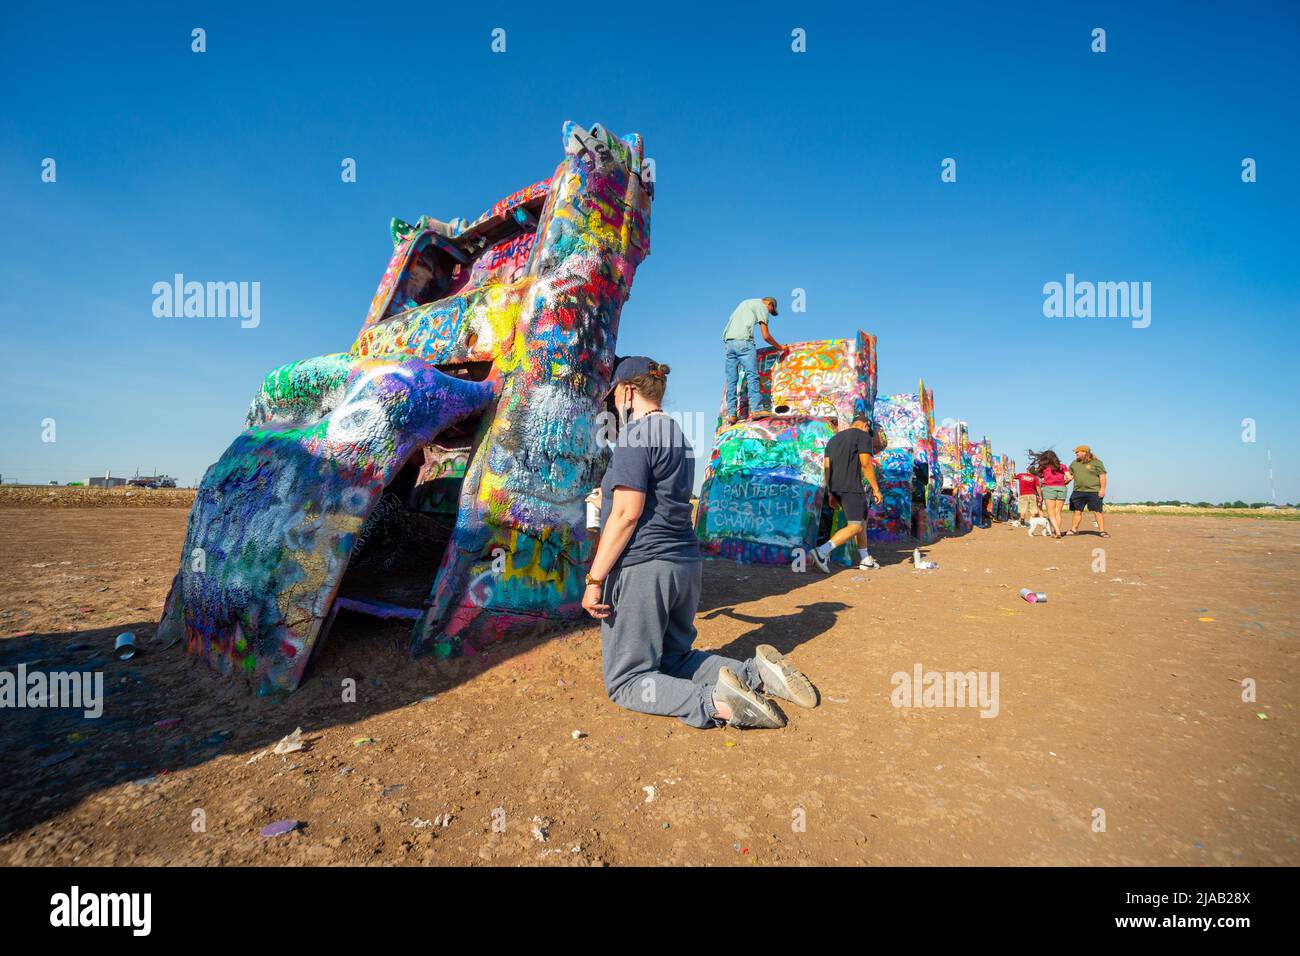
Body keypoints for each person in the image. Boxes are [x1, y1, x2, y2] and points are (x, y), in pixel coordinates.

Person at [582, 356, 818, 730]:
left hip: (645, 567)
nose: (612, 407)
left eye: (613, 398)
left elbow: (627, 514)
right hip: (683, 566)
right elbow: (661, 498)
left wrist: (595, 580)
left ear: (627, 392)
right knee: (675, 659)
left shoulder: (635, 435)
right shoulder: (678, 435)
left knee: (626, 681)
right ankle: (756, 673)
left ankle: (716, 702)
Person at [809, 416, 884, 573]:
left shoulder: (833, 440)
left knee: (861, 521)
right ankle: (822, 551)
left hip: (836, 487)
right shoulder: (862, 436)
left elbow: (827, 467)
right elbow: (866, 463)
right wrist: (876, 489)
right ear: (865, 425)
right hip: (851, 487)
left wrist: (830, 492)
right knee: (855, 525)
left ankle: (865, 559)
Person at [721, 296, 789, 425]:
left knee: (731, 381)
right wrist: (781, 347)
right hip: (744, 344)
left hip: (729, 344)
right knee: (752, 376)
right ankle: (756, 410)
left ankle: (731, 415)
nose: (768, 313)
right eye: (770, 310)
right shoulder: (762, 306)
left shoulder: (745, 303)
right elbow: (766, 336)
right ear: (769, 303)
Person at [1066, 444, 1108, 536]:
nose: (1076, 453)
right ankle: (1074, 530)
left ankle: (1102, 531)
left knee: (1097, 511)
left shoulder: (1097, 462)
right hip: (1078, 491)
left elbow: (1103, 476)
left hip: (1094, 491)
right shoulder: (1074, 463)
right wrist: (1064, 482)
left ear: (1084, 452)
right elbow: (1070, 476)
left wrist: (1103, 489)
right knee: (1077, 511)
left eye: (1077, 452)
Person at [1027, 449, 1069, 538]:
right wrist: (1063, 483)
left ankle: (1057, 532)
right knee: (1058, 513)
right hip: (1062, 488)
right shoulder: (1062, 466)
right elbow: (1069, 477)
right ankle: (1055, 531)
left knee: (1051, 513)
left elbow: (1037, 474)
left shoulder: (1044, 468)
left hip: (1049, 488)